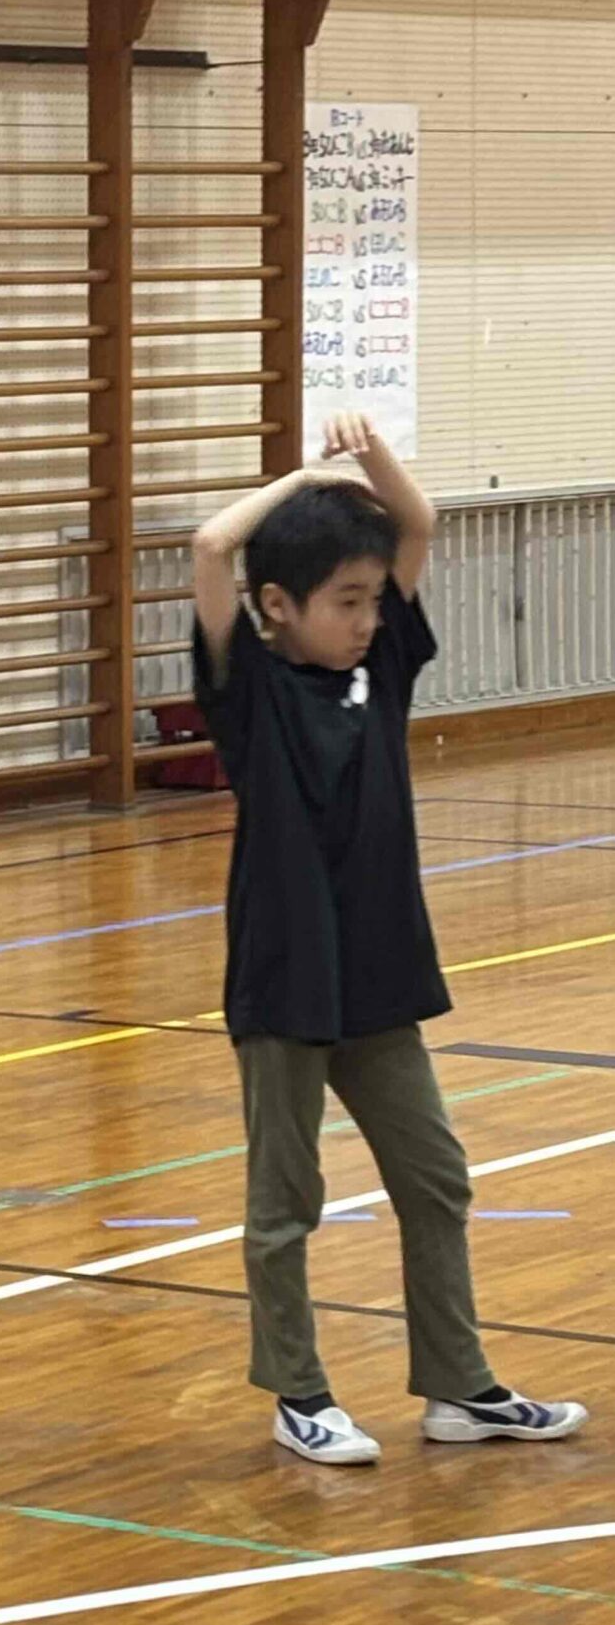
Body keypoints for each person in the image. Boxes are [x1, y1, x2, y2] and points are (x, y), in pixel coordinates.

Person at [191, 412, 587, 1466]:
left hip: (377, 975)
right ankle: (298, 1393)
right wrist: (301, 480)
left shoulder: (384, 675)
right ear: (277, 607)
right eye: (345, 602)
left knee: (435, 1176)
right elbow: (211, 546)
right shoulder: (248, 689)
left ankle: (459, 1388)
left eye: (374, 600)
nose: (367, 619)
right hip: (285, 981)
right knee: (285, 1202)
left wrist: (366, 462)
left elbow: (418, 521)